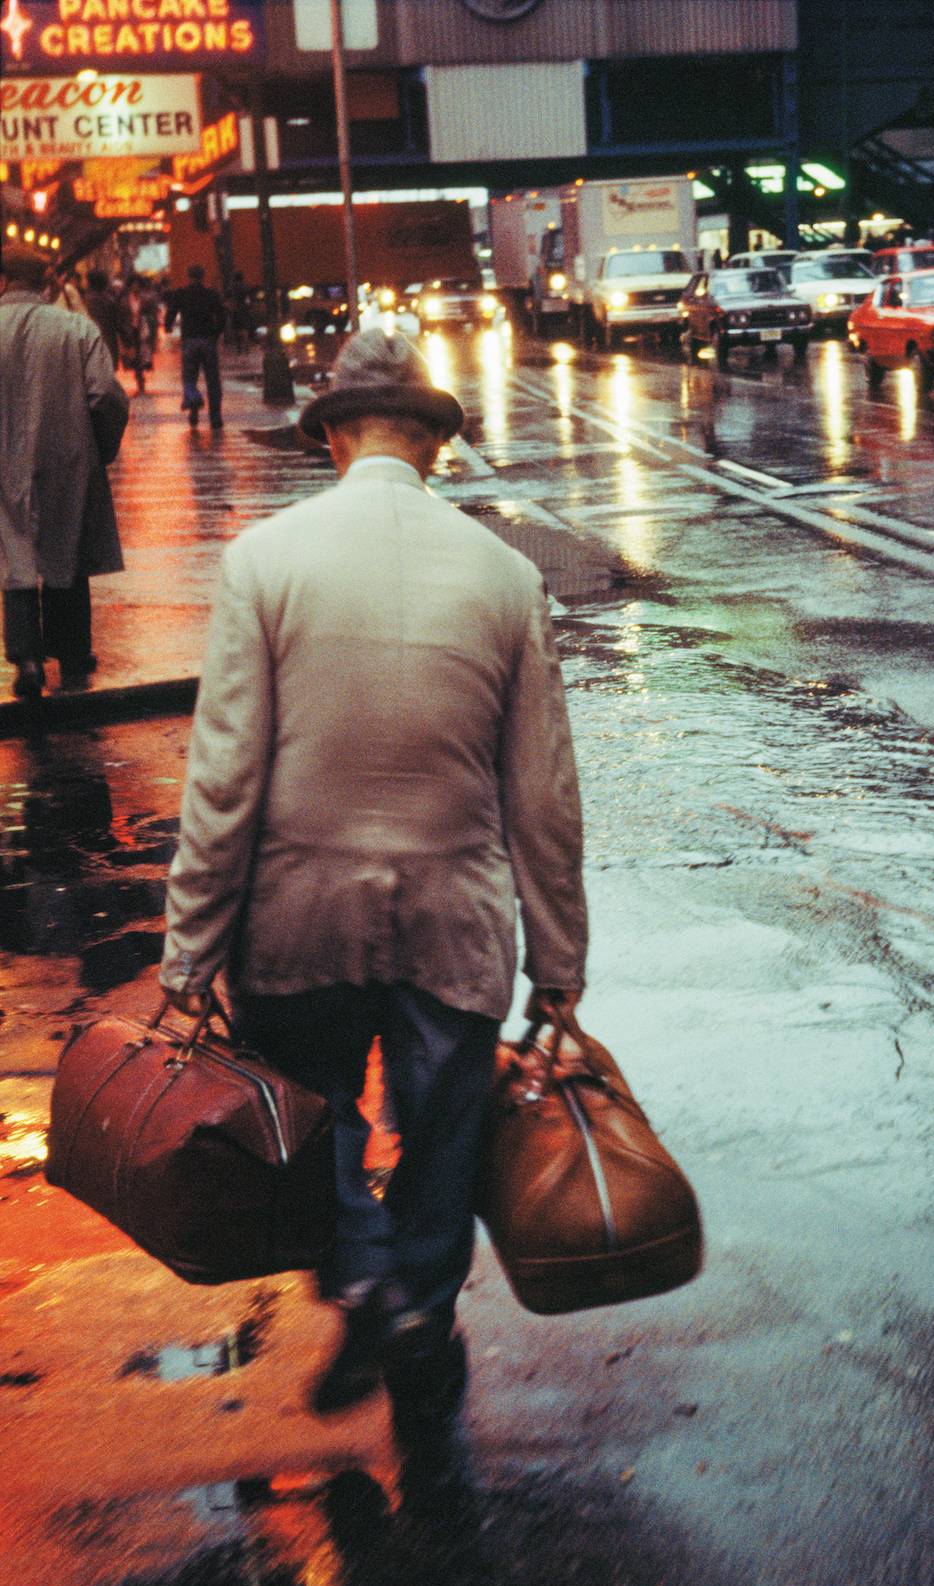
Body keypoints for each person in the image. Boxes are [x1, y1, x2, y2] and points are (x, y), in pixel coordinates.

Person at [159, 330, 588, 1467]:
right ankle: (421, 1314)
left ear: (335, 438)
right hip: (456, 914)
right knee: (444, 1130)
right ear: (437, 447)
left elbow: (225, 772)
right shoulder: (506, 575)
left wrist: (190, 944)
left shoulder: (266, 560)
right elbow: (542, 788)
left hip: (298, 915)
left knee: (316, 1118)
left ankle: (357, 1269)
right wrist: (560, 956)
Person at [0, 251, 128, 699]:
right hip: (66, 456)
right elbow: (105, 397)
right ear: (48, 285)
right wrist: (97, 449)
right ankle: (71, 651)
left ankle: (27, 660)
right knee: (66, 549)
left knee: (14, 558)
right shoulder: (75, 330)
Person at [164, 264, 227, 429]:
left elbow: (171, 313)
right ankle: (215, 417)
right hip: (207, 340)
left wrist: (168, 326)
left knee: (189, 378)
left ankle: (193, 408)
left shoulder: (181, 294)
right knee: (213, 380)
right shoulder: (211, 294)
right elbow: (222, 316)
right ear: (203, 276)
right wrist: (215, 333)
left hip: (189, 341)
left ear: (188, 276)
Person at [83, 268, 128, 368]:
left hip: (90, 340)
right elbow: (118, 322)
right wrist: (127, 341)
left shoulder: (86, 299)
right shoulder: (108, 300)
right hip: (108, 340)